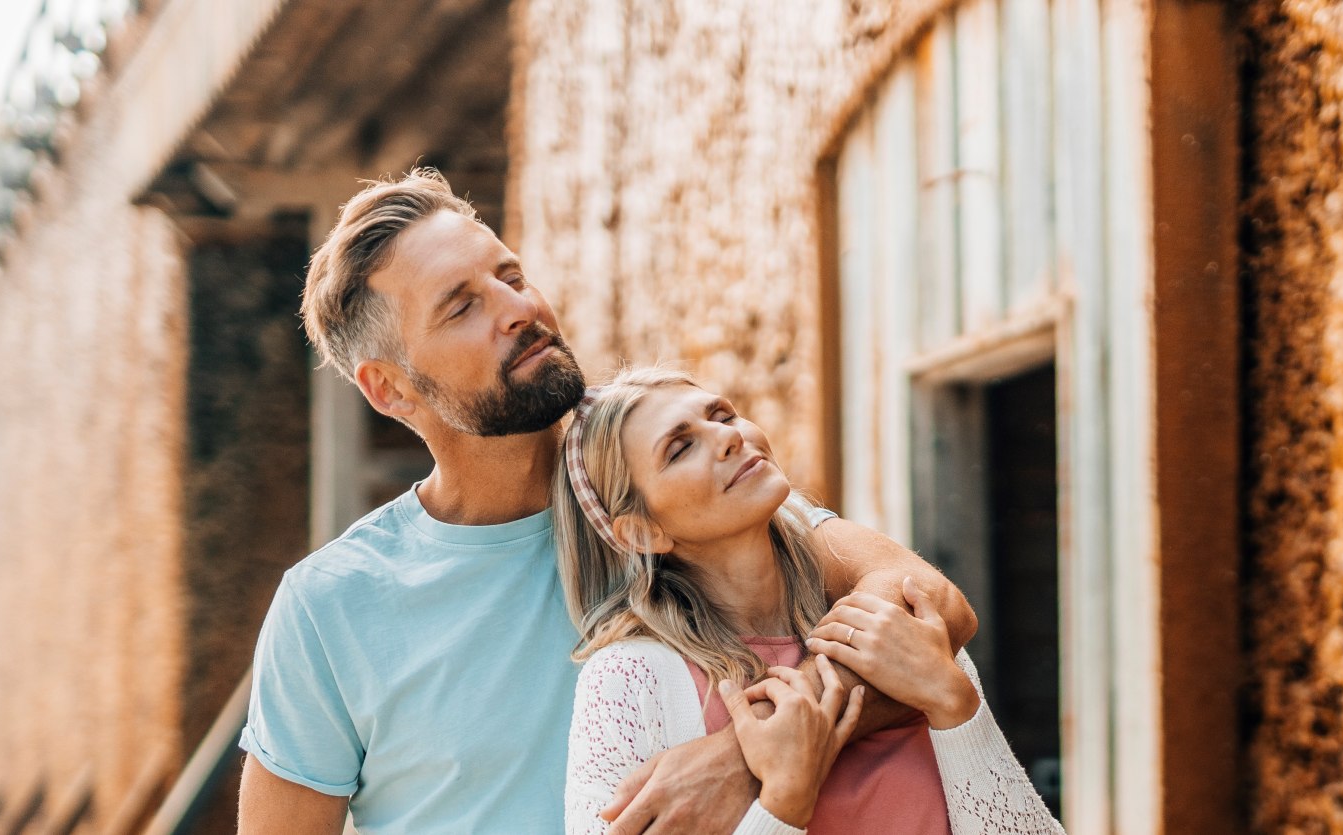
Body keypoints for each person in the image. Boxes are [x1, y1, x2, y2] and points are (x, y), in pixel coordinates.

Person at [237, 169, 978, 833]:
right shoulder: (329, 607)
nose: (518, 307)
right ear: (389, 388)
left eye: (510, 274)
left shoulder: (664, 483)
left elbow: (931, 609)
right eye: (462, 305)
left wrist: (741, 755)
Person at [556, 367, 1063, 834]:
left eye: (723, 415)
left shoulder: (884, 618)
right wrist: (783, 805)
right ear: (642, 531)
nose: (729, 436)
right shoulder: (629, 682)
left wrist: (957, 706)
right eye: (680, 447)